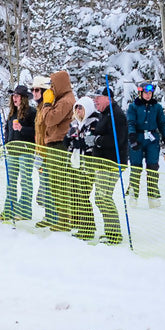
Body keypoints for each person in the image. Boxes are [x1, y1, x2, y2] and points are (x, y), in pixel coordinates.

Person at [85, 87, 129, 245]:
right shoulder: (106, 114)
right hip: (102, 162)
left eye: (98, 97)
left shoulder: (116, 115)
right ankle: (111, 231)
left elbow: (117, 140)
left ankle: (114, 234)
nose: (95, 100)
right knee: (101, 198)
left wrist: (96, 140)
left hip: (110, 163)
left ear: (108, 98)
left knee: (103, 197)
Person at [34, 71, 77, 230]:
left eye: (52, 85)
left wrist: (46, 105)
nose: (50, 89)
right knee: (53, 184)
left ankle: (64, 220)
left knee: (59, 184)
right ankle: (61, 218)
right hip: (51, 144)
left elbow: (51, 119)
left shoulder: (66, 100)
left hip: (59, 144)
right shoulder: (60, 99)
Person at [126, 81, 165, 203]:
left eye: (150, 93)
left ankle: (153, 195)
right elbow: (130, 122)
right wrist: (132, 137)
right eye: (145, 93)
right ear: (140, 93)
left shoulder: (157, 107)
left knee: (152, 167)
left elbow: (162, 124)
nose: (148, 95)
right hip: (138, 137)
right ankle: (133, 194)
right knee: (136, 167)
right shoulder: (133, 106)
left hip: (152, 138)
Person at [63, 96, 98, 240]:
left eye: (81, 108)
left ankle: (88, 228)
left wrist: (79, 142)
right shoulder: (75, 124)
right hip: (74, 163)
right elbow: (67, 141)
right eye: (76, 108)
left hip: (87, 164)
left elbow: (92, 142)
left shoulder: (94, 122)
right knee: (76, 195)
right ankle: (83, 225)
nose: (78, 111)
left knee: (84, 195)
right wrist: (69, 139)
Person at [2, 84, 36, 220]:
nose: (14, 98)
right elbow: (7, 130)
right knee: (11, 182)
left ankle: (25, 211)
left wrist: (22, 128)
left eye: (17, 96)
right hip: (12, 151)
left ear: (24, 98)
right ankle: (9, 210)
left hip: (25, 151)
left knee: (25, 181)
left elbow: (35, 131)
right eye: (13, 96)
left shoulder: (31, 112)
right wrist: (7, 143)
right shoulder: (12, 113)